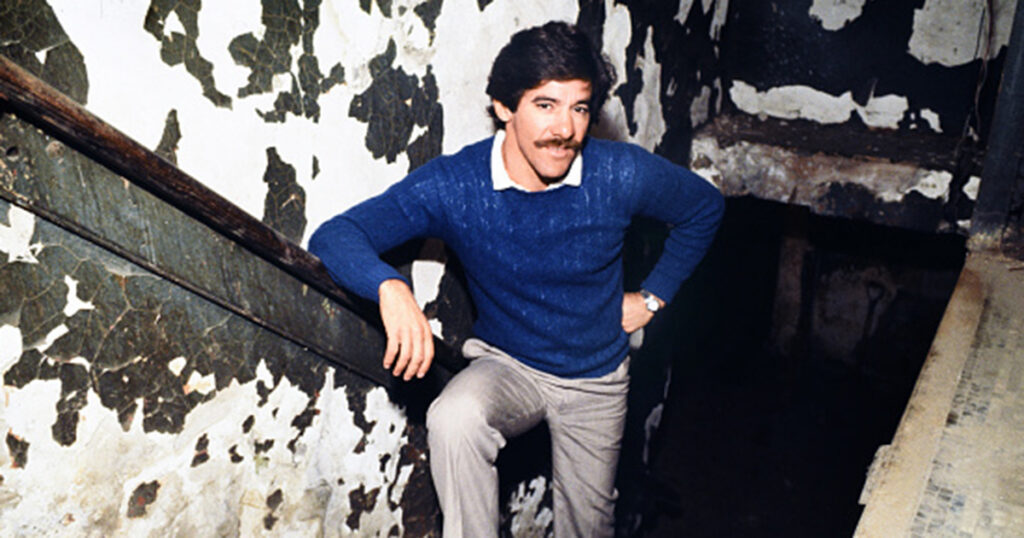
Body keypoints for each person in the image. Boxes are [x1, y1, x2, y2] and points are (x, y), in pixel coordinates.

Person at [309, 21, 724, 537]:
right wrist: (389, 288)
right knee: (454, 419)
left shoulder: (619, 173)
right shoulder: (456, 185)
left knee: (589, 527)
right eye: (545, 105)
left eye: (579, 107)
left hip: (595, 378)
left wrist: (654, 296)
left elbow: (703, 208)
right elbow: (336, 234)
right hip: (509, 365)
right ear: (504, 107)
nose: (566, 129)